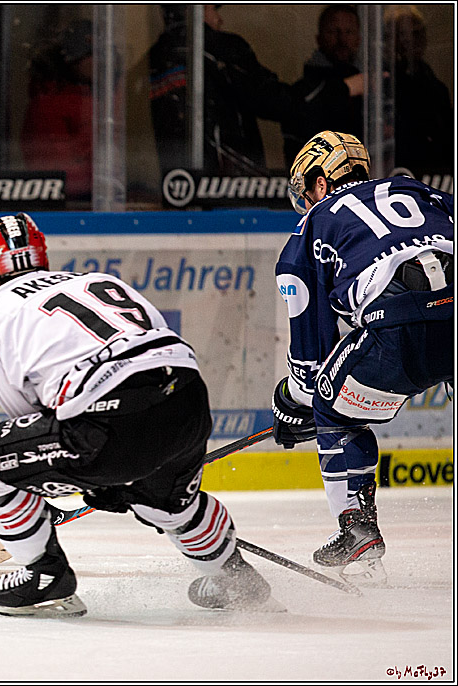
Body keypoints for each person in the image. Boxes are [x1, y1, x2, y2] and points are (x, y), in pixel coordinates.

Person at [0, 212, 273, 617]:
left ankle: (45, 575)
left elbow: (28, 413)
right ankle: (236, 578)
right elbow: (165, 351)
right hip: (188, 401)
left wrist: (79, 474)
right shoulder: (96, 280)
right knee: (166, 503)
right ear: (43, 255)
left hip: (106, 421)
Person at [272, 131, 453, 583]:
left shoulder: (310, 228)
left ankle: (356, 528)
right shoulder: (421, 191)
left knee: (333, 408)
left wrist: (292, 405)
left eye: (305, 191)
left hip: (399, 322)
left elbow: (311, 364)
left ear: (317, 183)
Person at [148, 4, 300, 177]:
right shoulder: (221, 48)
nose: (220, 19)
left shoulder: (155, 57)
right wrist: (308, 102)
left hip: (179, 184)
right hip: (230, 185)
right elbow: (271, 99)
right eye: (213, 9)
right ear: (194, 10)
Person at [21, 19, 96, 202]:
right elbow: (60, 176)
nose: (98, 62)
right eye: (91, 55)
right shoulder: (50, 104)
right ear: (75, 59)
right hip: (68, 206)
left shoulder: (93, 97)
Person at [282, 5, 366, 165]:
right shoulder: (306, 90)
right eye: (333, 32)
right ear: (319, 38)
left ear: (359, 38)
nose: (342, 39)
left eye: (348, 32)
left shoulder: (370, 82)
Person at [384, 5, 454, 177]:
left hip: (436, 174)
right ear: (389, 39)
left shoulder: (434, 83)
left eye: (416, 33)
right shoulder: (382, 81)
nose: (409, 41)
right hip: (397, 173)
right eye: (402, 34)